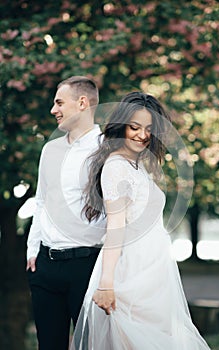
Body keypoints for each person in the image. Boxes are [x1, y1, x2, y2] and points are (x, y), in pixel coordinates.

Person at [70, 92, 211, 350]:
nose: (142, 135)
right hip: (130, 270)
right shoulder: (116, 167)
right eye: (134, 127)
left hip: (153, 271)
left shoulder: (137, 164)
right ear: (121, 125)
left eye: (148, 129)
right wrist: (106, 283)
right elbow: (115, 227)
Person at [26, 76, 106, 350]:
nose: (53, 110)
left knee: (91, 346)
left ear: (82, 103)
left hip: (88, 266)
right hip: (45, 266)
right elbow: (41, 201)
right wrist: (32, 249)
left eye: (59, 102)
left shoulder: (108, 149)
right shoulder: (50, 149)